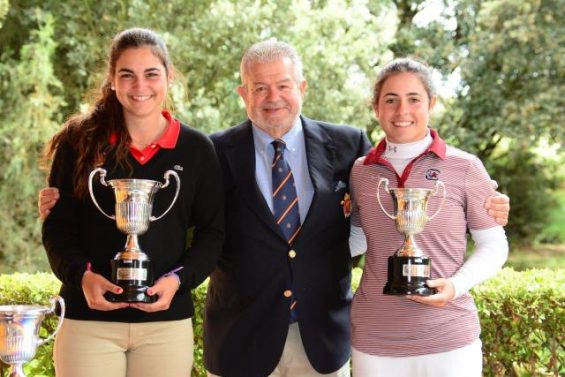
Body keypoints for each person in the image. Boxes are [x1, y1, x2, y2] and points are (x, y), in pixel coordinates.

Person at [38, 41, 510, 377]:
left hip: (321, 338)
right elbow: (190, 223)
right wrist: (65, 205)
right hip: (241, 337)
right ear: (242, 94)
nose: (272, 98)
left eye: (282, 85)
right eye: (258, 88)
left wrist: (487, 200)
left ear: (301, 86)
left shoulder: (351, 146)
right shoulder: (211, 151)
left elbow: (374, 209)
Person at [41, 28, 224, 377]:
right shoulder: (78, 143)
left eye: (151, 74)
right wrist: (82, 277)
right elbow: (58, 229)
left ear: (169, 77)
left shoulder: (198, 149)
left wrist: (178, 281)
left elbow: (212, 233)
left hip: (165, 326)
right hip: (86, 321)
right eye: (127, 75)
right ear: (112, 80)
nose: (140, 86)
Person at [348, 57, 509, 377]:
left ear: (431, 104)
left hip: (449, 339)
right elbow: (358, 240)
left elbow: (494, 246)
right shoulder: (360, 171)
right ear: (376, 107)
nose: (401, 110)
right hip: (374, 340)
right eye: (390, 100)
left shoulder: (465, 166)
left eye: (414, 99)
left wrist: (456, 285)